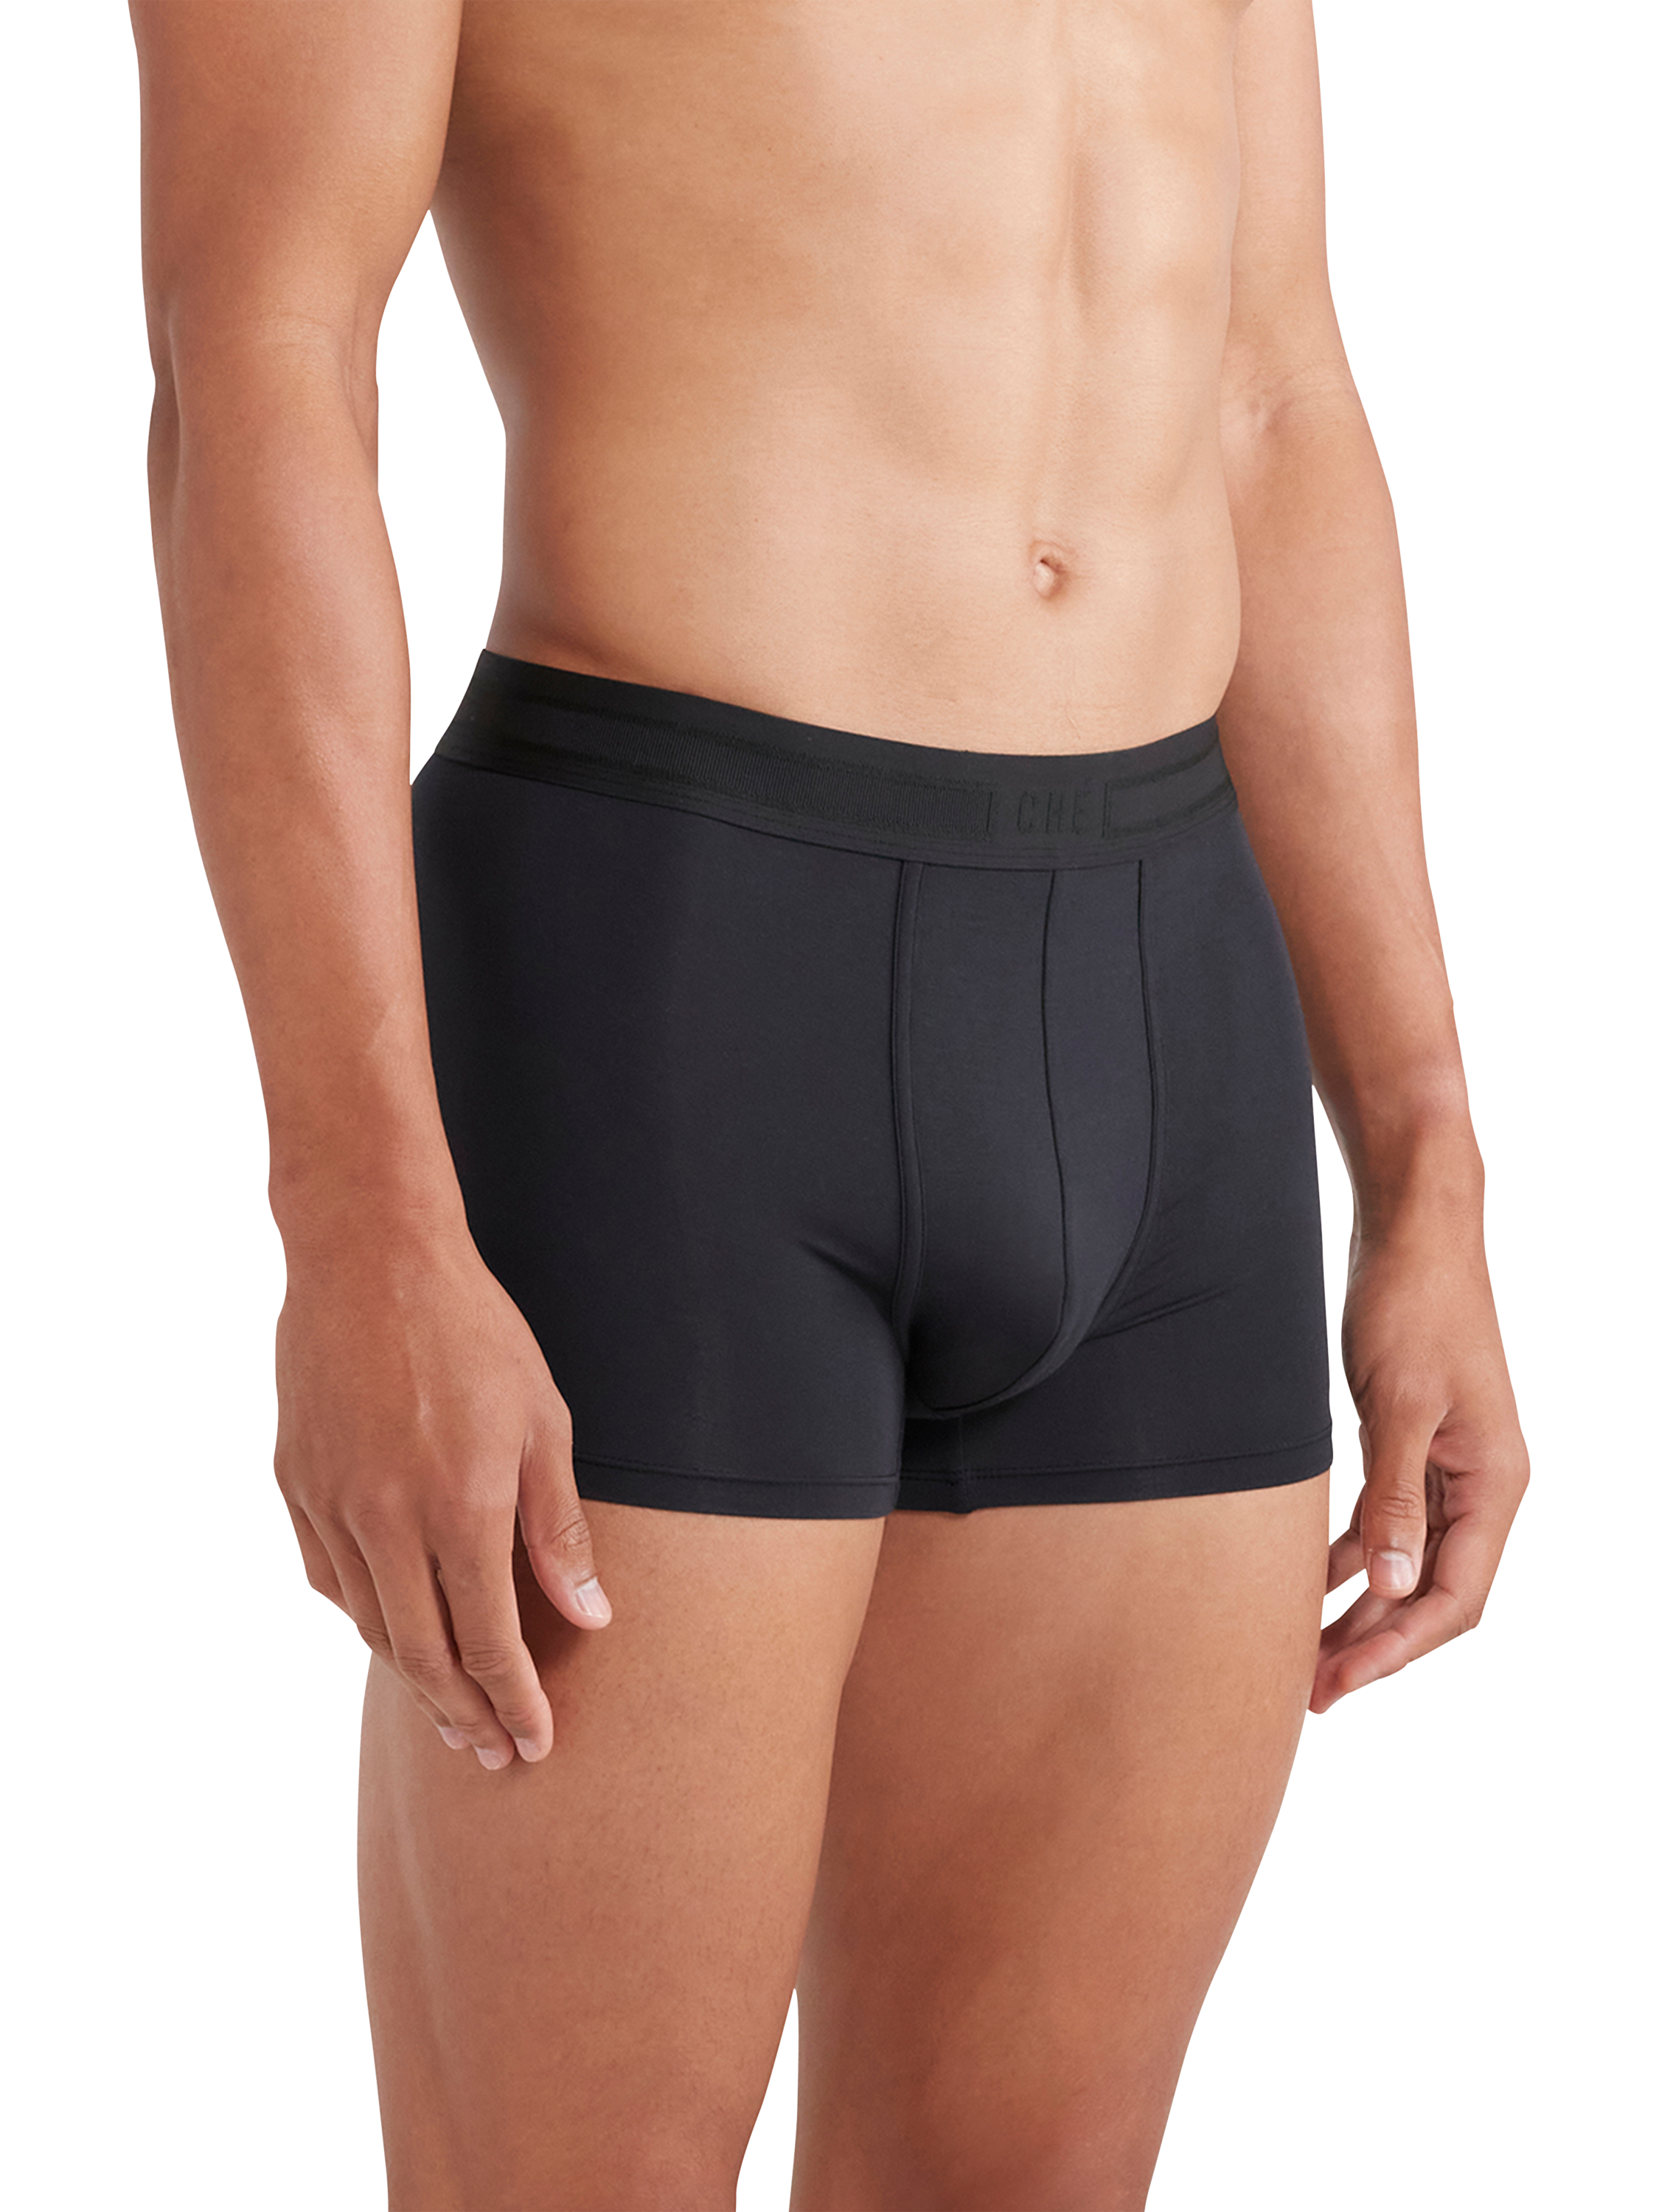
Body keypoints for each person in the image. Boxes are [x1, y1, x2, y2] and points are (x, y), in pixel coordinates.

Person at [128, 0, 1529, 2205]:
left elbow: (1273, 391)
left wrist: (1428, 1155)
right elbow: (258, 364)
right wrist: (360, 1212)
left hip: (1168, 994)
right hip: (670, 989)